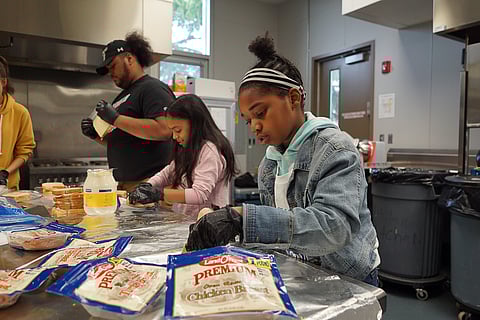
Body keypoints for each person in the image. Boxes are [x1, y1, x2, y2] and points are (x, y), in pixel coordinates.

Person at [186, 34, 380, 286]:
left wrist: (242, 219)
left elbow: (334, 227)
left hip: (350, 276)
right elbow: (283, 230)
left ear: (293, 98)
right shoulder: (271, 163)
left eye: (260, 113)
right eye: (248, 120)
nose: (254, 126)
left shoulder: (335, 149)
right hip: (306, 271)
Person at [81, 32, 174, 192]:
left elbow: (164, 130)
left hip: (149, 183)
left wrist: (116, 118)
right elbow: (122, 140)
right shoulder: (121, 97)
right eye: (108, 69)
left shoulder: (152, 88)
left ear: (129, 59)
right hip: (124, 184)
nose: (111, 73)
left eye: (113, 65)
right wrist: (95, 135)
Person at [128, 94, 238, 218]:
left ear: (195, 124)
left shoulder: (210, 151)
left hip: (207, 223)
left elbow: (199, 195)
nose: (175, 137)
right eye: (173, 131)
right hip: (186, 219)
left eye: (178, 130)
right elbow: (167, 173)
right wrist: (148, 186)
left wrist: (160, 194)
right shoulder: (187, 147)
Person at [0, 56, 35, 191]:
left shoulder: (19, 113)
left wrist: (5, 172)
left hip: (7, 187)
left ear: (3, 82)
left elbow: (24, 151)